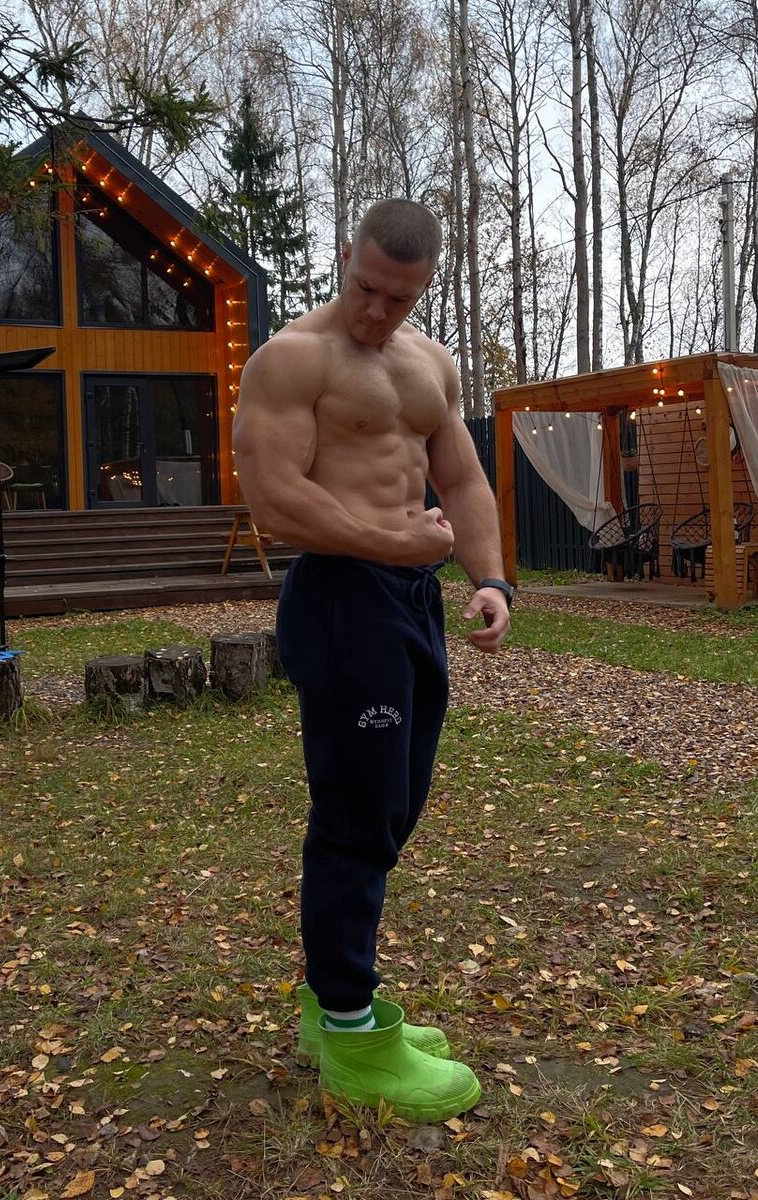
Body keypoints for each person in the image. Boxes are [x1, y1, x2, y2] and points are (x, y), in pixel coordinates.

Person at [232, 199, 512, 1123]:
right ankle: (351, 1030)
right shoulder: (291, 359)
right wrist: (395, 546)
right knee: (357, 814)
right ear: (345, 256)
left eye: (398, 299)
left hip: (410, 600)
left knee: (395, 803)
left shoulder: (432, 364)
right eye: (364, 289)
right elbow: (275, 498)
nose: (375, 312)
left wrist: (491, 579)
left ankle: (330, 1004)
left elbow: (460, 477)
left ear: (424, 288)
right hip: (342, 598)